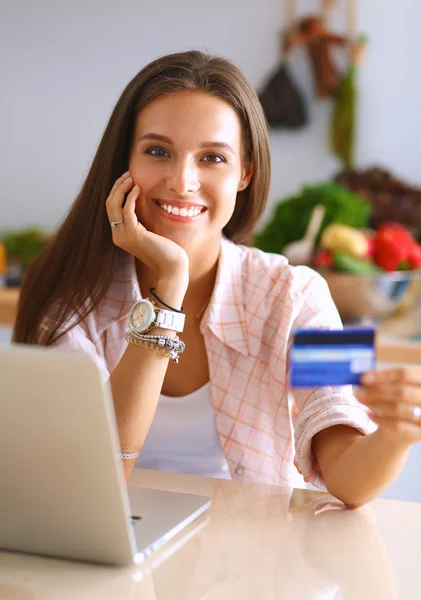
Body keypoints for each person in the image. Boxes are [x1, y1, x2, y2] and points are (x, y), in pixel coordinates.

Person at [13, 51, 421, 506]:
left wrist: (395, 435)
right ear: (122, 162)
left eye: (212, 157)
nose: (182, 180)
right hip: (108, 561)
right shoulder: (68, 295)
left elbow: (348, 478)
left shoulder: (301, 293)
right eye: (157, 151)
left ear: (245, 173)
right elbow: (94, 477)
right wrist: (169, 286)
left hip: (246, 562)